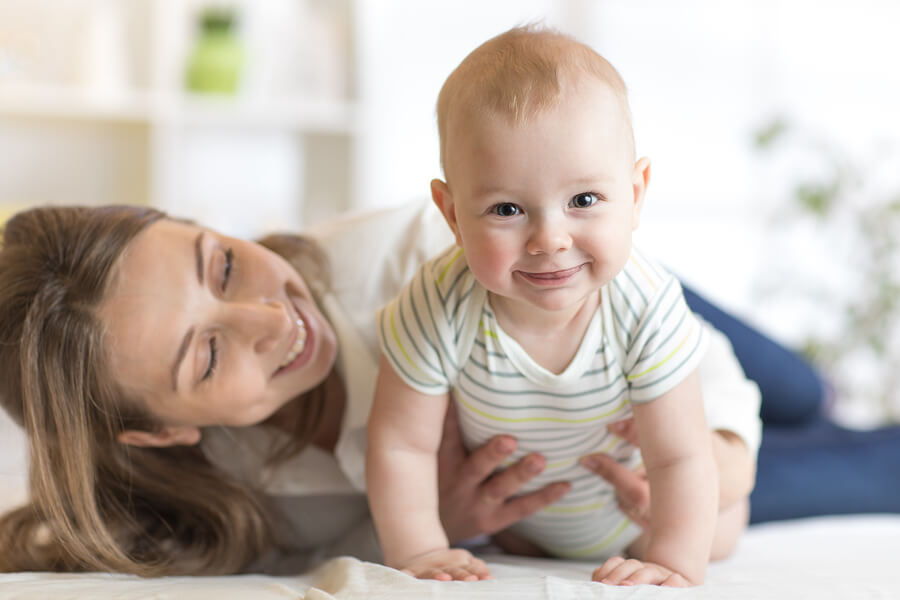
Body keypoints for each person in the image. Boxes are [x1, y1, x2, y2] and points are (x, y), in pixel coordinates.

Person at [0, 197, 760, 579]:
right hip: (586, 480)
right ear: (159, 431)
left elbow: (704, 363)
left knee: (794, 401)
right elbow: (327, 552)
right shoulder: (223, 491)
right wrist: (438, 524)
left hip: (618, 311)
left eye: (224, 264)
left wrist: (714, 464)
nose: (270, 317)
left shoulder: (428, 261)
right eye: (204, 355)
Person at [367, 26, 739, 587]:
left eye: (583, 200)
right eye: (507, 208)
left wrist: (671, 562)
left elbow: (680, 459)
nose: (550, 238)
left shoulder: (645, 303)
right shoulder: (437, 304)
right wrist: (420, 550)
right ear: (451, 213)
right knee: (511, 541)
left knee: (717, 527)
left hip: (638, 511)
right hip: (525, 526)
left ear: (635, 194)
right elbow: (401, 445)